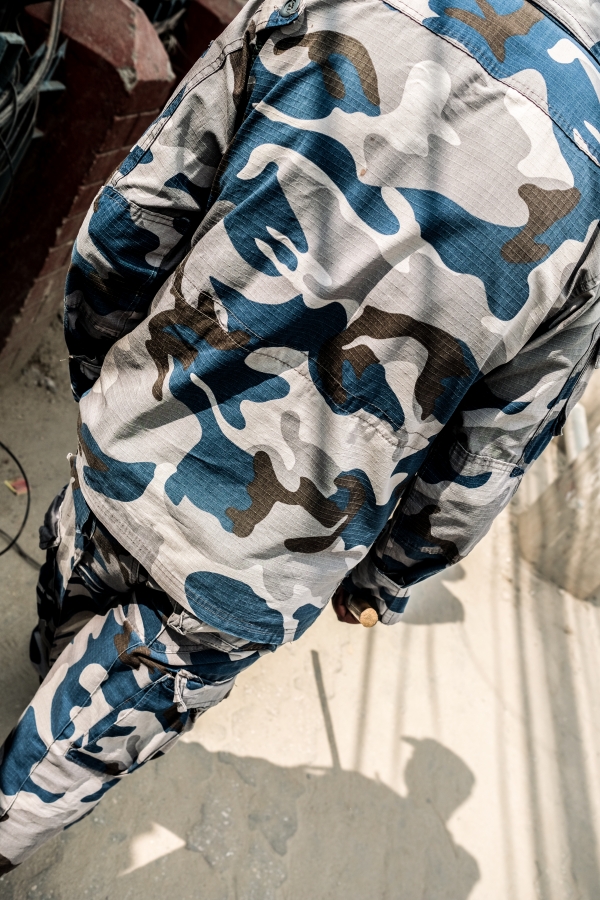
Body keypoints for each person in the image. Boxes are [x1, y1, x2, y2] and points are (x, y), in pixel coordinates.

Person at [1, 0, 600, 872]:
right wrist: (385, 577)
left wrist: (115, 379)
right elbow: (490, 452)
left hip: (133, 439)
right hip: (267, 561)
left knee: (73, 588)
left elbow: (133, 216)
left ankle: (54, 674)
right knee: (61, 766)